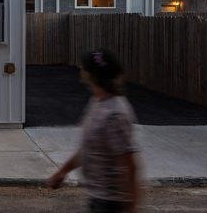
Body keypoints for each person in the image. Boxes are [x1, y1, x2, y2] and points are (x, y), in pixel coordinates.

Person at [47, 49, 141, 212]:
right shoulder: (97, 102)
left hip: (112, 203)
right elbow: (88, 147)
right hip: (98, 197)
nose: (80, 68)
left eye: (84, 66)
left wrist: (131, 207)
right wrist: (62, 172)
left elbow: (130, 165)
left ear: (92, 74)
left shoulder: (115, 114)